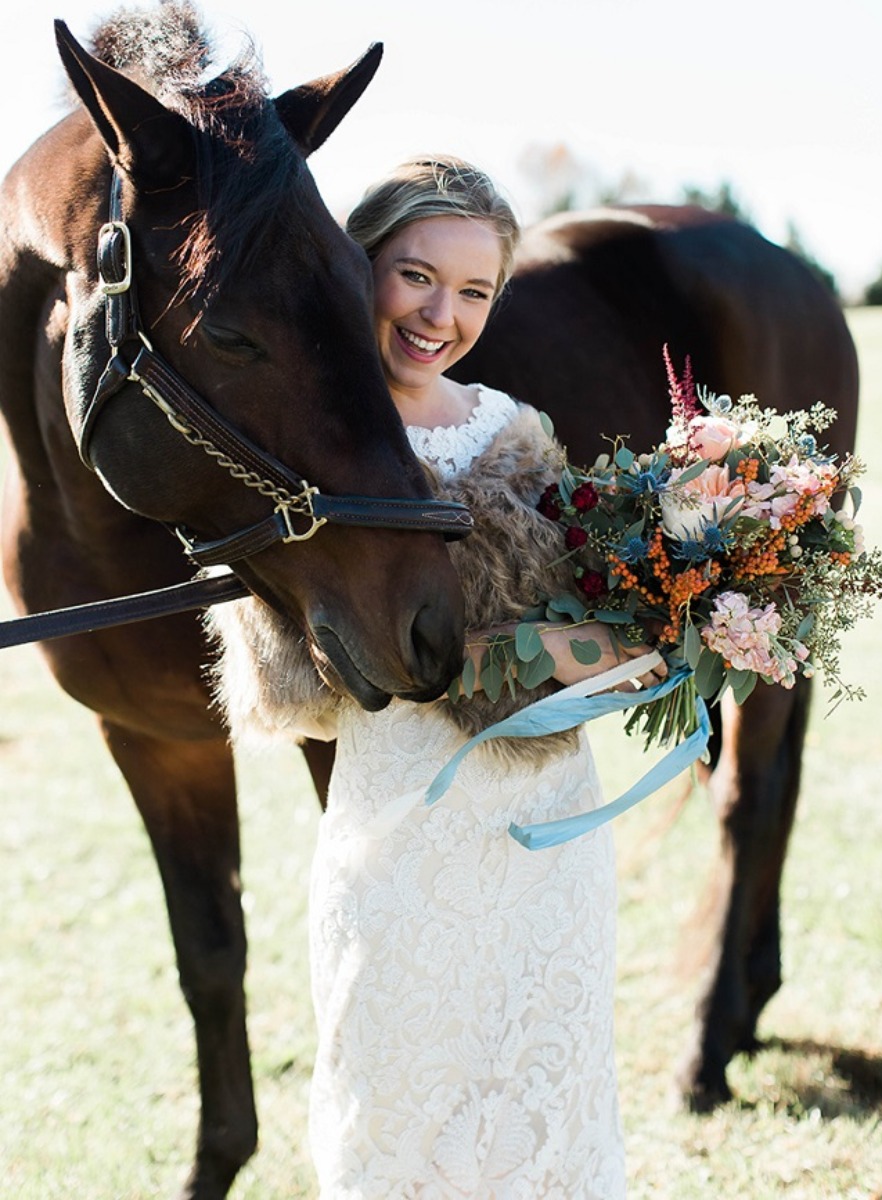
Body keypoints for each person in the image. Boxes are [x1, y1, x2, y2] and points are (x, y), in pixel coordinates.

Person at [301, 156, 663, 1199]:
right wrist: (513, 657)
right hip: (403, 818)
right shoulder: (314, 433)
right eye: (416, 276)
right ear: (360, 265)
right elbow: (309, 668)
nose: (440, 314)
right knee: (400, 1085)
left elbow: (580, 605)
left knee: (543, 1079)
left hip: (546, 819)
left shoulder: (512, 427)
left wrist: (673, 616)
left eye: (474, 290)